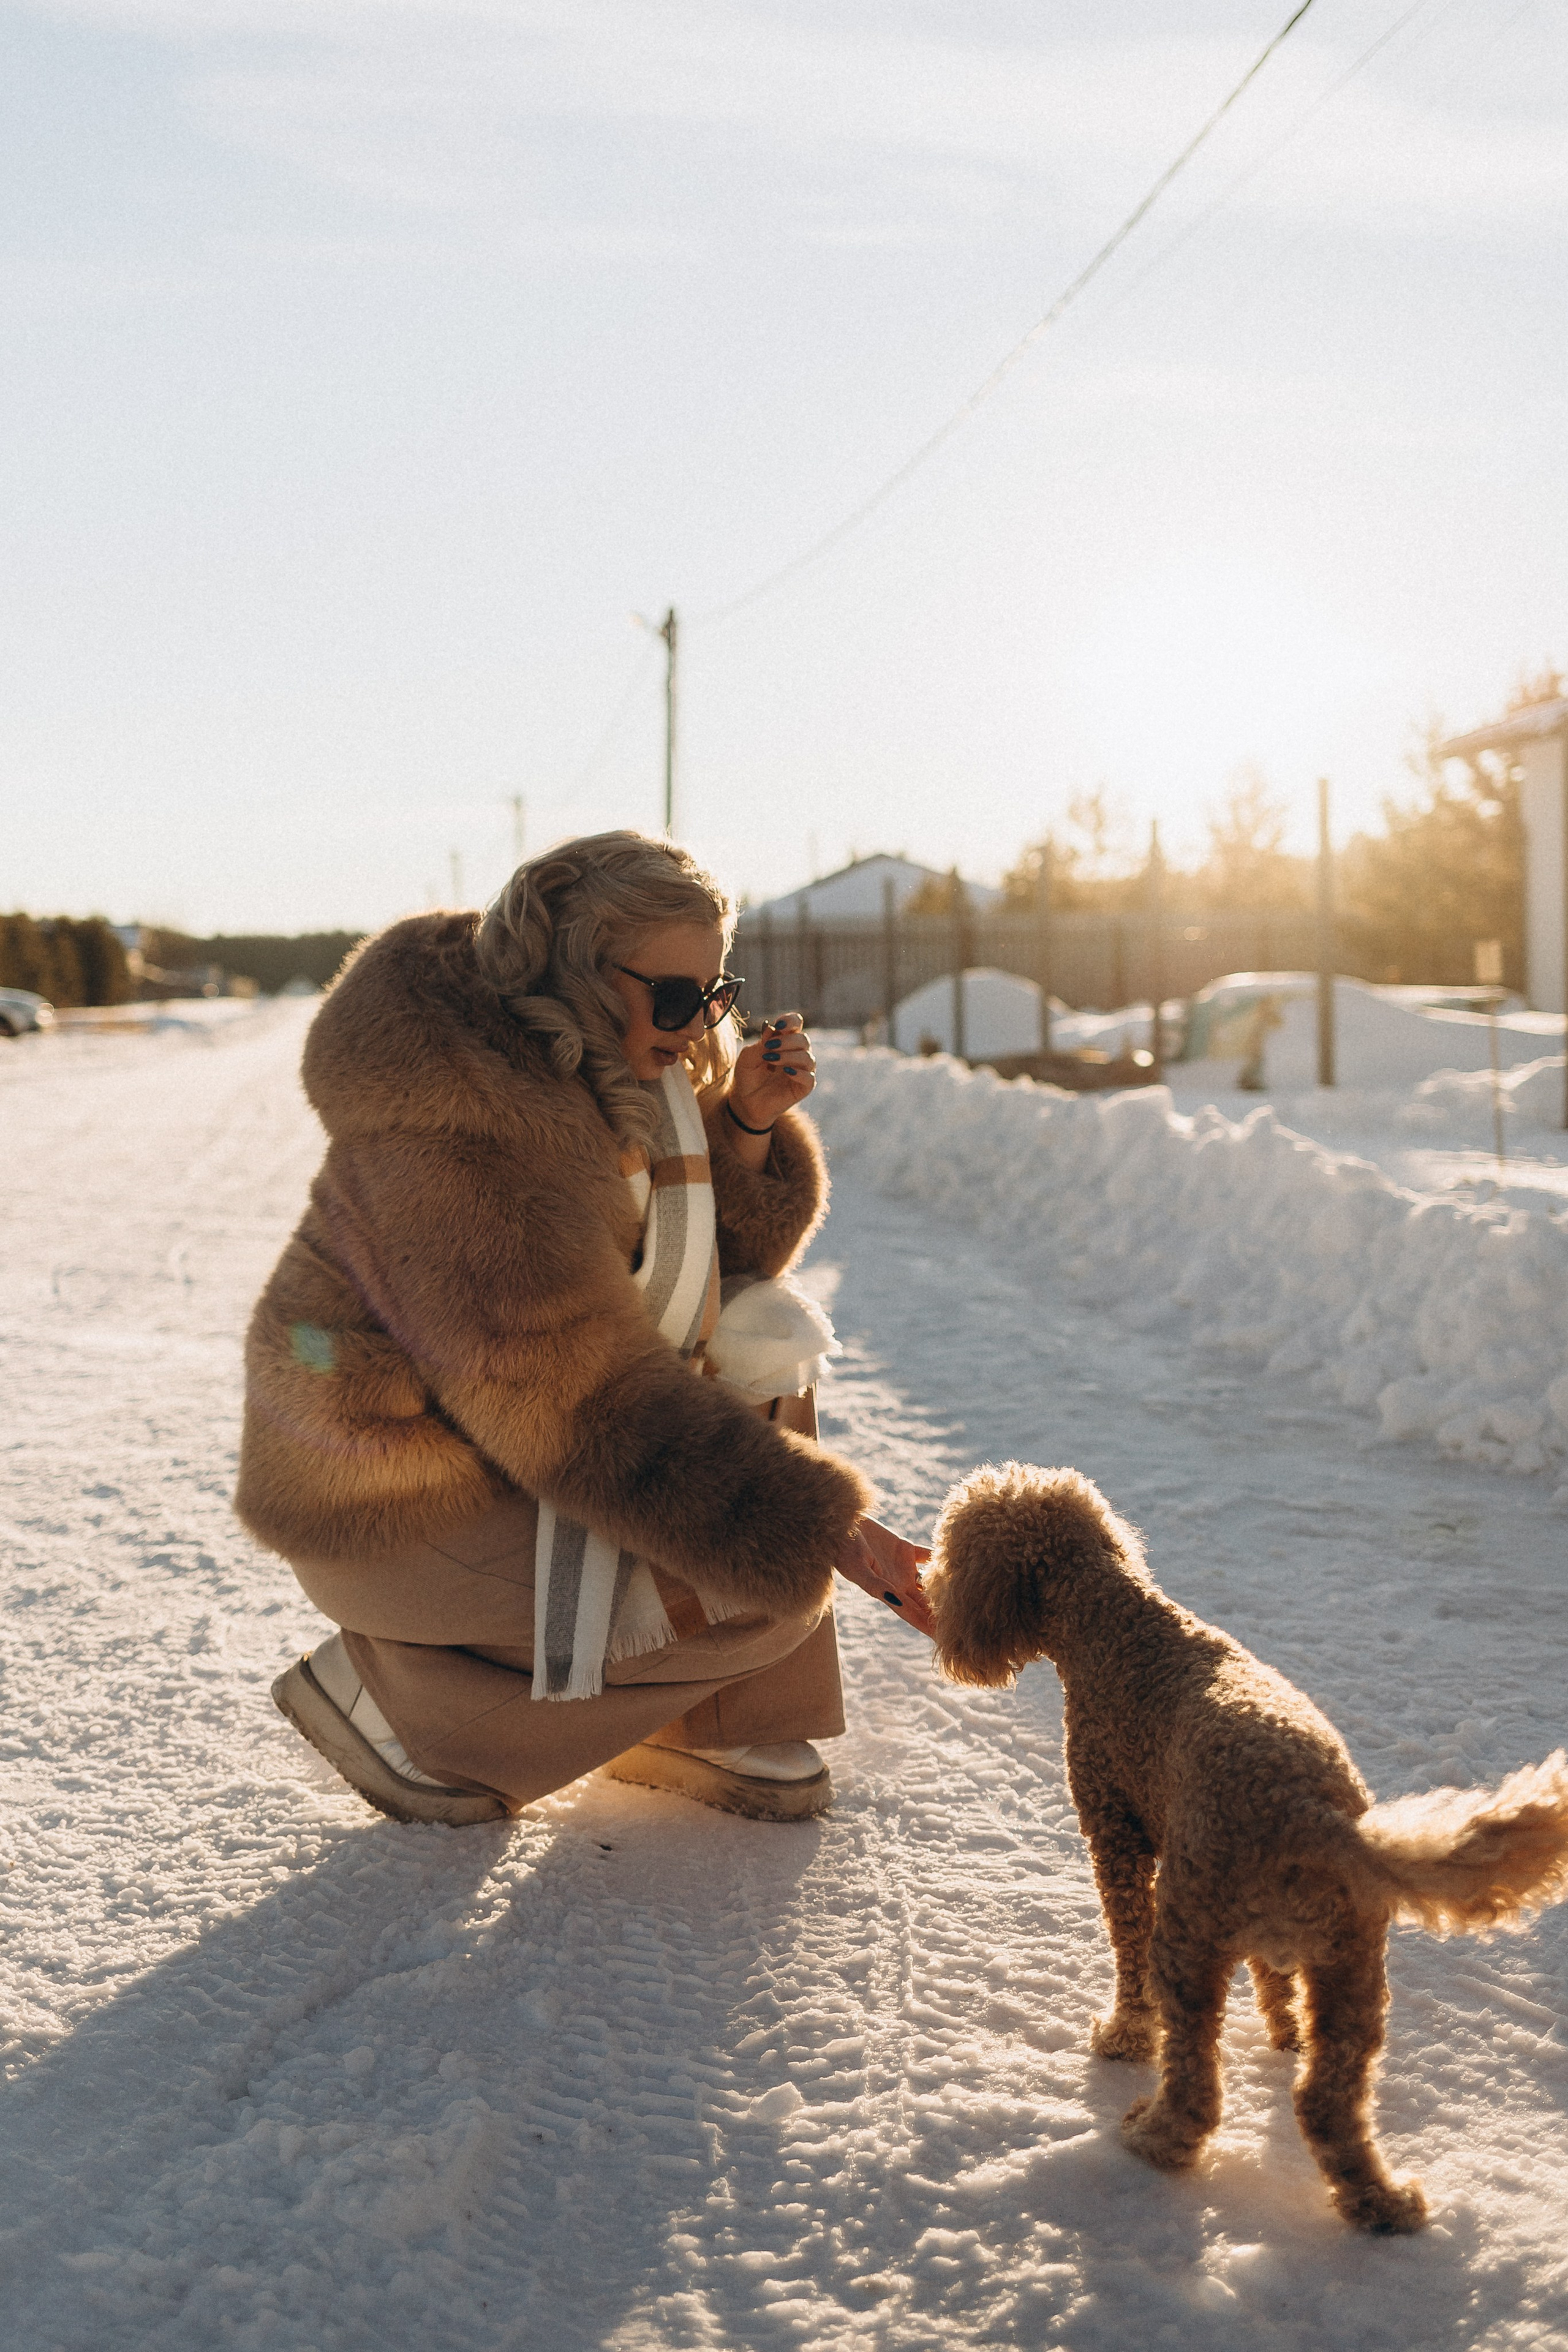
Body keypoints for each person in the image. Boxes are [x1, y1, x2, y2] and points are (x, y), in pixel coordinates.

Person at [239, 829, 932, 1827]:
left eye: (715, 994)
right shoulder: (458, 1129)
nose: (700, 1025)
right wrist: (824, 1525)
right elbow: (583, 1401)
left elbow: (697, 1281)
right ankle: (395, 1699)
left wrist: (744, 1123)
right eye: (675, 996)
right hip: (394, 1500)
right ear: (576, 966)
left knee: (764, 1353)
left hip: (498, 1447)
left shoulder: (608, 1071)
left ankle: (714, 1718)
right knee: (755, 1590)